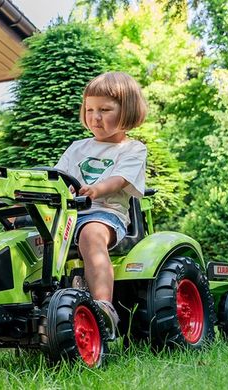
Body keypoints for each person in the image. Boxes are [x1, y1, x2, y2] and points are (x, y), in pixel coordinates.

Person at [55, 71, 147, 338]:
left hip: (107, 216)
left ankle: (104, 307)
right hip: (69, 216)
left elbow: (120, 180)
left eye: (105, 109)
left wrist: (96, 189)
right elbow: (59, 178)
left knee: (90, 235)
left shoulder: (132, 149)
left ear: (127, 111)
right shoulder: (77, 147)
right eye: (90, 109)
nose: (95, 117)